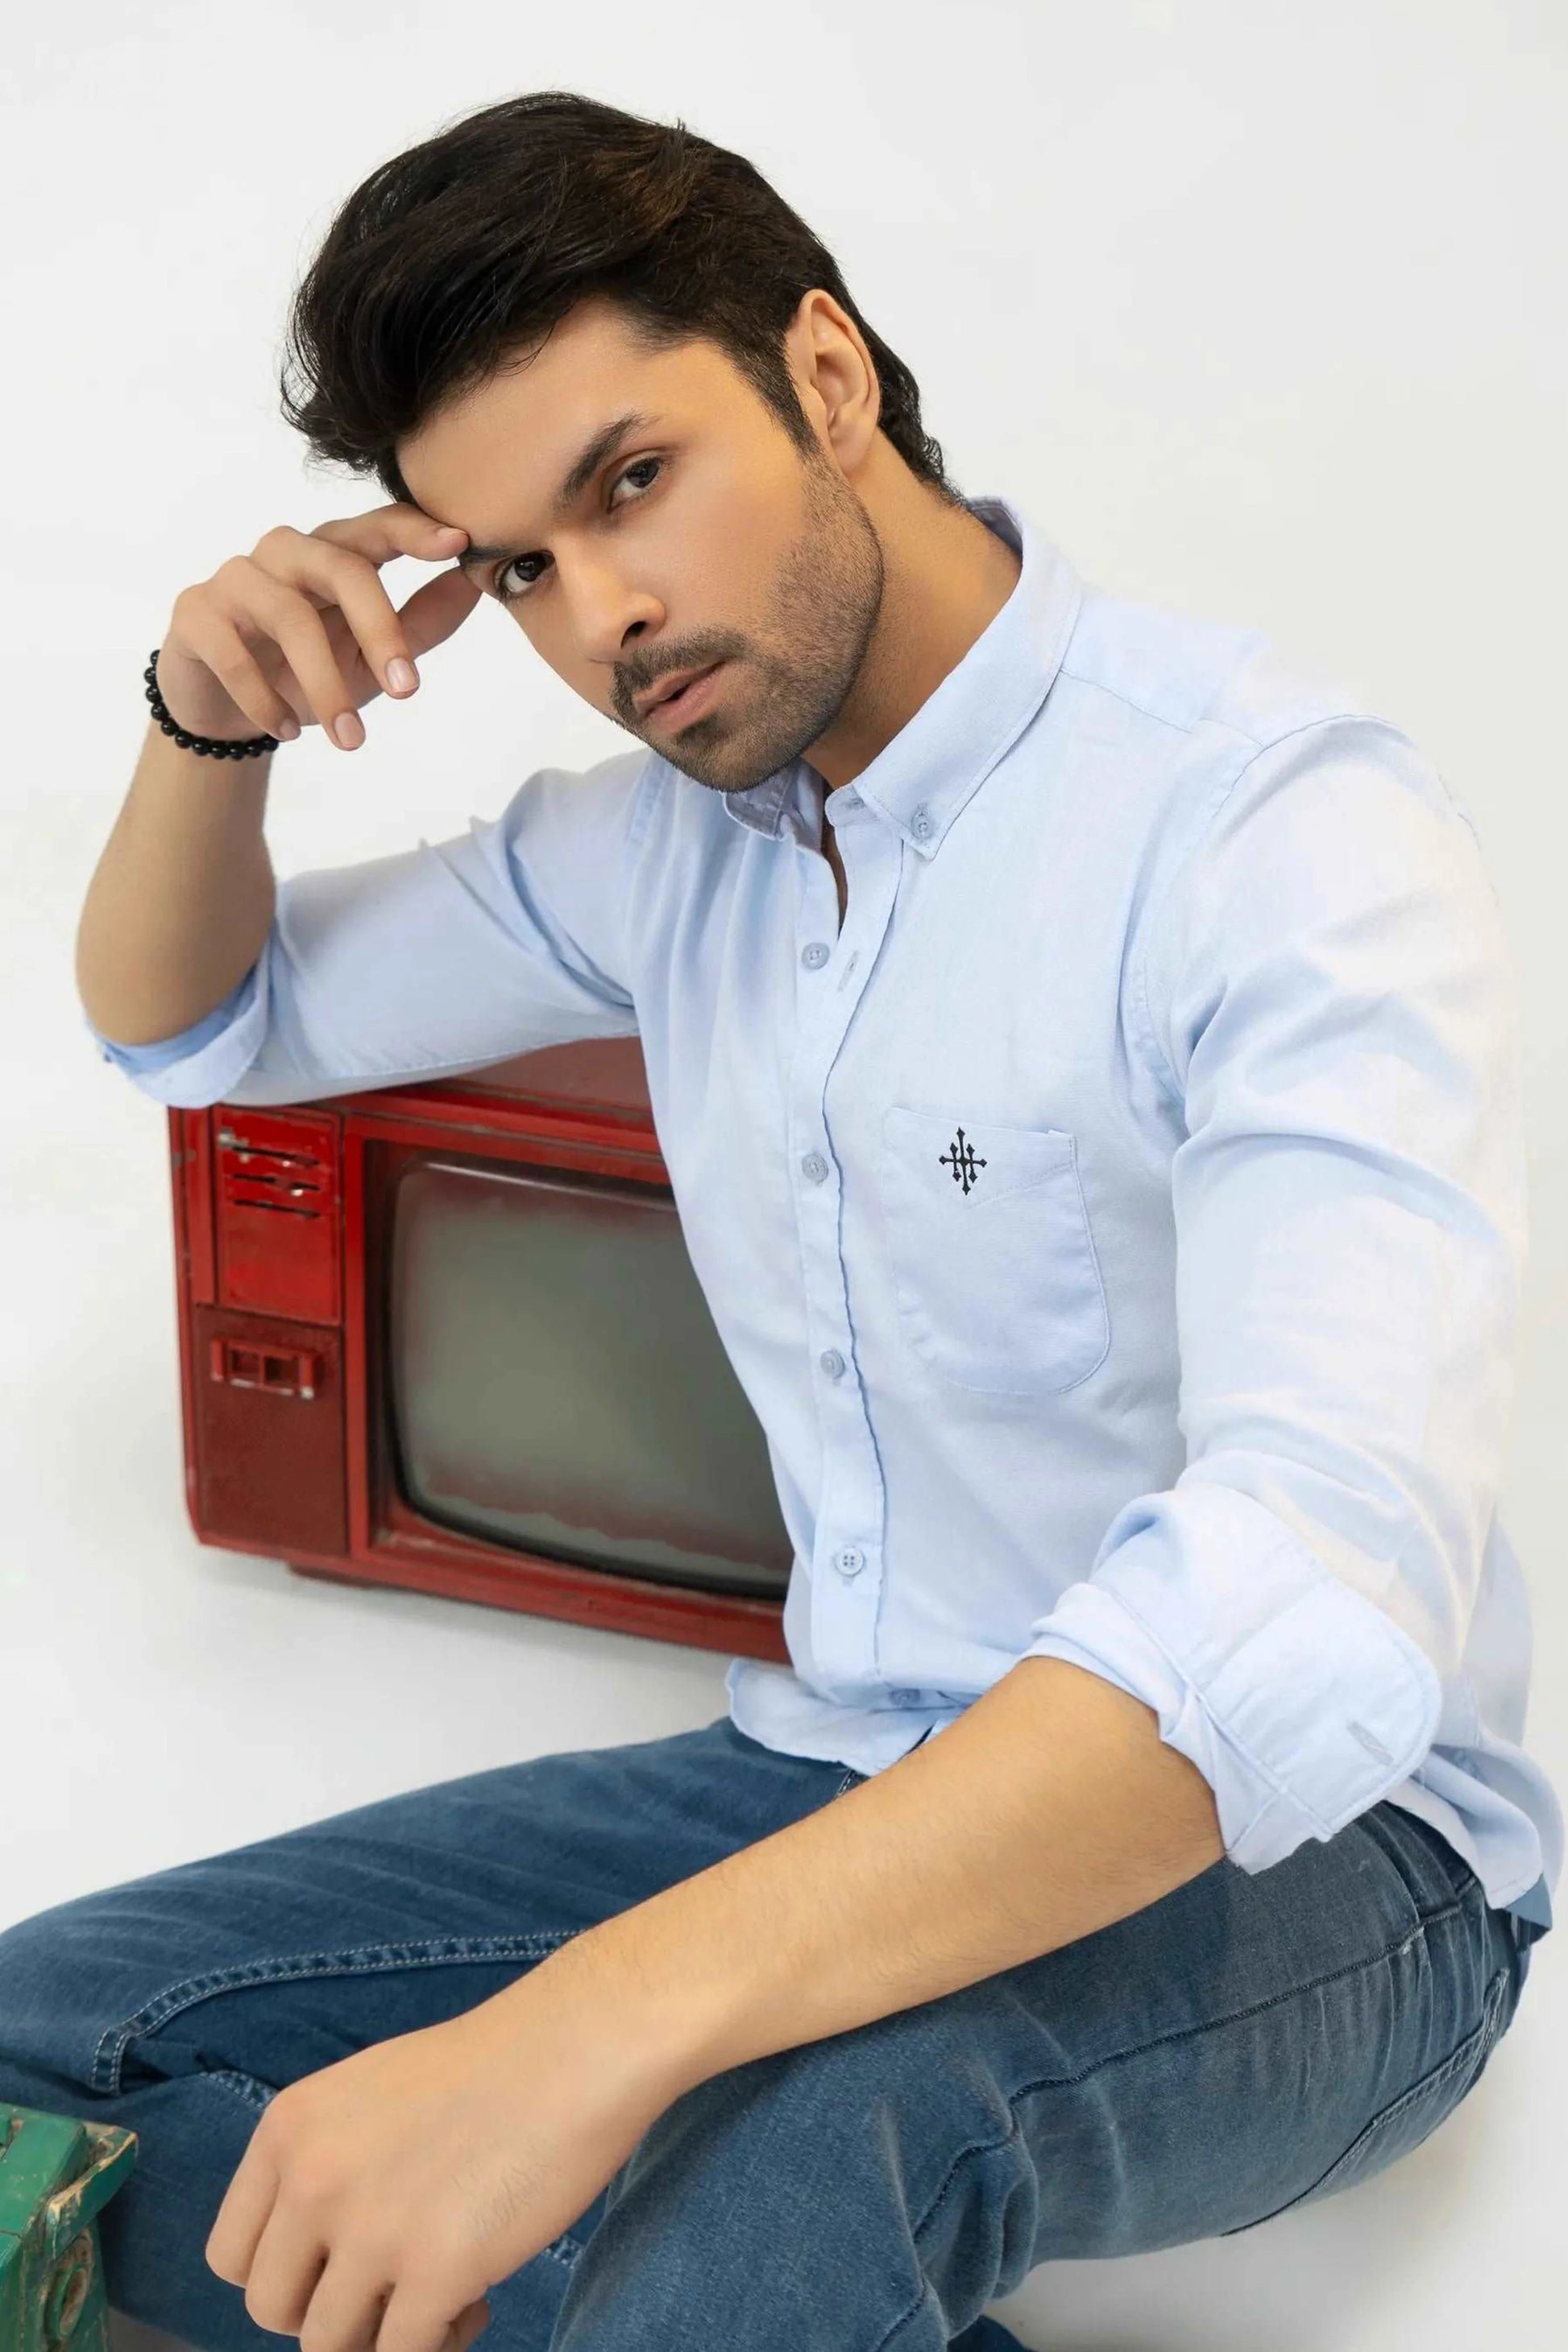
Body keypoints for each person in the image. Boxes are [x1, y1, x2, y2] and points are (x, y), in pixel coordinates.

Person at [2, 86, 1556, 2352]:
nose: (606, 613)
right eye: (519, 565)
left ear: (824, 377)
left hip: (1331, 1868)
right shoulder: (669, 853)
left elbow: (1298, 1617)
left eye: (631, 482)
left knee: (783, 2153)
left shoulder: (1263, 828)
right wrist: (200, 721)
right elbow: (202, 1025)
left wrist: (578, 2034)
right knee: (43, 2049)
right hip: (834, 1768)